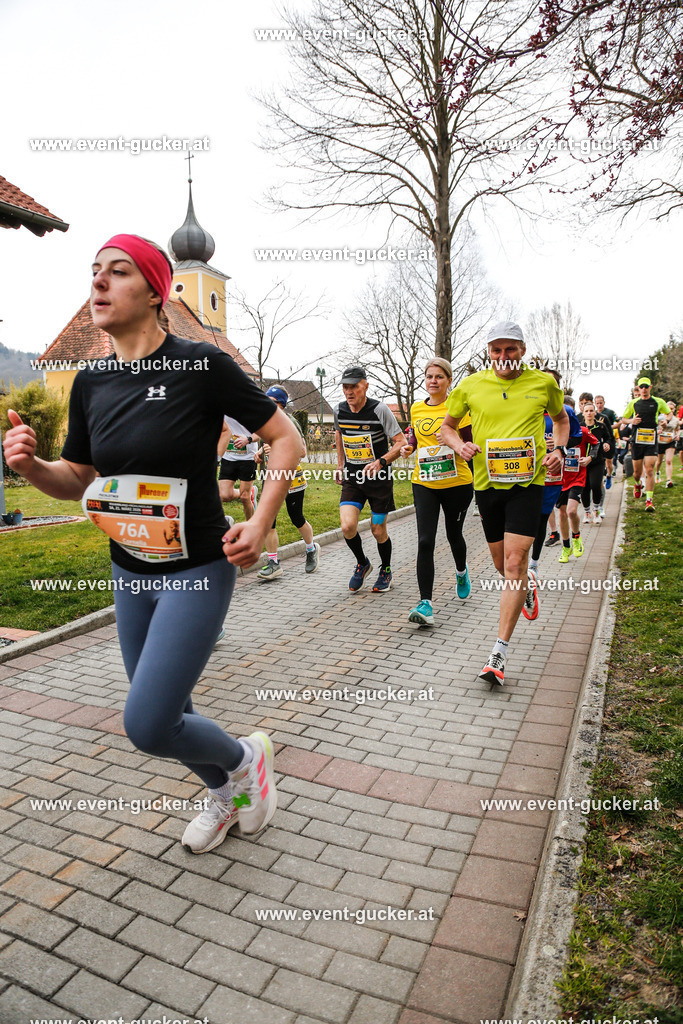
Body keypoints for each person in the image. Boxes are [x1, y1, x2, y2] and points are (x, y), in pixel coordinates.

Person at [3, 234, 302, 855]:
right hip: (130, 569)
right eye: (94, 273)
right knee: (174, 713)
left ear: (156, 290)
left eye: (118, 272)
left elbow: (287, 441)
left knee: (147, 723)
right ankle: (228, 793)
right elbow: (76, 479)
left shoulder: (202, 365)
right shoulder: (92, 381)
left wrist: (259, 519)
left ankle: (247, 760)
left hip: (197, 566)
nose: (99, 284)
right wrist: (32, 468)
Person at [440, 322, 568, 686]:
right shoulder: (470, 386)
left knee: (513, 561)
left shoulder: (543, 383)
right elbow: (446, 428)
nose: (503, 356)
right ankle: (525, 586)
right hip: (487, 485)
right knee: (502, 564)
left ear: (523, 350)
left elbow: (560, 420)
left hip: (528, 483)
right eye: (496, 350)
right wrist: (458, 445)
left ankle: (498, 654)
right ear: (488, 352)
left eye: (510, 349)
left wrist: (559, 449)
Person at [400, 358, 473, 626]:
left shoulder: (459, 409)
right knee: (425, 541)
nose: (433, 380)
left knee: (454, 535)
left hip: (457, 483)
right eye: (429, 376)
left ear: (449, 381)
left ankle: (462, 571)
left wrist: (452, 441)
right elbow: (415, 437)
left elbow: (470, 445)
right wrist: (409, 446)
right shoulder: (418, 408)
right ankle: (426, 603)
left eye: (439, 376)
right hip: (425, 482)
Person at [334, 366, 406, 593]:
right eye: (345, 387)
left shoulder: (380, 410)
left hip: (379, 478)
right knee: (347, 526)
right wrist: (340, 465)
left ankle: (386, 569)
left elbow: (400, 442)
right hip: (354, 477)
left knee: (378, 530)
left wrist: (381, 462)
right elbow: (339, 434)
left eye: (354, 386)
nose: (349, 391)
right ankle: (363, 563)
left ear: (365, 385)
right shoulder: (339, 411)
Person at [527, 370, 582, 612]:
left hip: (551, 474)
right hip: (523, 472)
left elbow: (578, 437)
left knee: (540, 517)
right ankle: (517, 566)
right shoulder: (526, 406)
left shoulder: (565, 411)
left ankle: (533, 565)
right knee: (521, 519)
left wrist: (559, 446)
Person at [255, 386, 320, 579]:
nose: (268, 404)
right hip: (271, 477)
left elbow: (302, 452)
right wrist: (260, 453)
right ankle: (273, 563)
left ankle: (311, 549)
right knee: (269, 521)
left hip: (291, 477)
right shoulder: (266, 421)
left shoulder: (289, 422)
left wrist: (275, 449)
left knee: (296, 517)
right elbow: (267, 445)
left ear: (281, 404)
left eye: (273, 401)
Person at [621, 377, 670, 511]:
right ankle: (637, 484)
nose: (643, 389)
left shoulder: (658, 402)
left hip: (651, 439)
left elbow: (669, 414)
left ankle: (649, 501)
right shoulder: (634, 403)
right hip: (637, 440)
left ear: (650, 387)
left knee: (649, 469)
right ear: (638, 388)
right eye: (641, 387)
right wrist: (632, 421)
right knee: (637, 472)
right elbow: (623, 419)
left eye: (646, 387)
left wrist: (665, 422)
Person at [557, 421, 598, 562]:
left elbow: (595, 443)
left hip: (577, 478)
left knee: (571, 511)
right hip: (559, 478)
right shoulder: (554, 430)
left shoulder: (583, 431)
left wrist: (589, 458)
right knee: (562, 513)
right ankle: (566, 547)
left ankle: (576, 537)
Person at [217, 416, 258, 519]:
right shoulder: (221, 405)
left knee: (245, 498)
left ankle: (250, 529)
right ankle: (251, 491)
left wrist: (248, 439)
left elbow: (262, 432)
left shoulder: (252, 405)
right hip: (228, 457)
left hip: (248, 457)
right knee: (224, 495)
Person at [580, 402, 613, 524]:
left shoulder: (601, 426)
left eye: (591, 411)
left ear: (595, 413)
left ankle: (596, 511)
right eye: (586, 411)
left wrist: (607, 444)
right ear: (583, 413)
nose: (589, 413)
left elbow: (609, 437)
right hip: (583, 461)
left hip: (598, 460)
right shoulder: (579, 426)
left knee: (595, 485)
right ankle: (587, 513)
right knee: (585, 487)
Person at [656, 401, 680, 487]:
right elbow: (653, 428)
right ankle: (657, 473)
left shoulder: (676, 419)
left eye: (672, 409)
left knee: (668, 461)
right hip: (660, 441)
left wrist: (677, 435)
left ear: (674, 409)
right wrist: (657, 431)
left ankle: (669, 480)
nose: (670, 410)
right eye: (668, 408)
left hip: (670, 442)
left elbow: (677, 429)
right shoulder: (659, 418)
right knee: (658, 462)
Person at [594, 395, 617, 482]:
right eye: (597, 403)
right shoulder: (593, 414)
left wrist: (608, 427)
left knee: (608, 463)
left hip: (608, 438)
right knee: (600, 461)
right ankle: (602, 478)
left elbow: (619, 422)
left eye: (601, 403)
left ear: (604, 403)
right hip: (599, 441)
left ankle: (609, 475)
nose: (599, 405)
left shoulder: (610, 413)